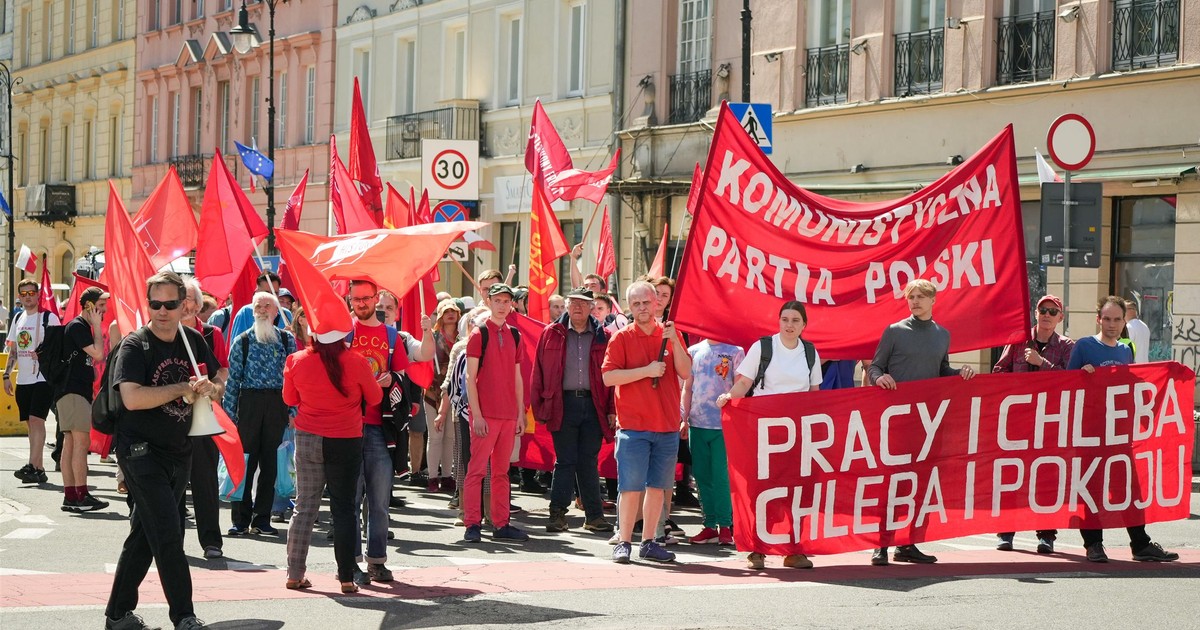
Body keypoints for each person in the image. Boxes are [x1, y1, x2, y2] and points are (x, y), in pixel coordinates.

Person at [104, 271, 221, 630]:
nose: (162, 311)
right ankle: (184, 616)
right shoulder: (135, 345)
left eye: (170, 304)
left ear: (184, 305)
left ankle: (117, 614)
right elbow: (132, 398)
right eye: (155, 304)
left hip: (179, 450)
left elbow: (219, 378)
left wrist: (211, 388)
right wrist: (183, 387)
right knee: (170, 533)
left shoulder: (193, 340)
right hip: (140, 452)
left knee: (145, 534)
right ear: (148, 304)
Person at [866, 279, 975, 566]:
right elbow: (875, 366)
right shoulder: (894, 331)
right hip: (898, 419)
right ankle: (881, 544)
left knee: (921, 483)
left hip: (928, 421)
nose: (914, 301)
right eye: (911, 297)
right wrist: (879, 377)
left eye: (920, 296)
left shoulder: (942, 335)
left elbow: (941, 370)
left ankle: (909, 544)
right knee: (893, 482)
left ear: (933, 300)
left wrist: (960, 373)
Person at [1068, 296, 1179, 563]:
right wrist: (1081, 375)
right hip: (1090, 432)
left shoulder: (1125, 350)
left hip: (1118, 432)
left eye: (1117, 319)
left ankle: (1140, 544)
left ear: (1123, 322)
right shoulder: (1084, 346)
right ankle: (1093, 544)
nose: (1112, 324)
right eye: (1107, 319)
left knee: (1129, 488)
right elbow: (1066, 385)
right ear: (1098, 319)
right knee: (1092, 488)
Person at [717, 301, 821, 567]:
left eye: (795, 320)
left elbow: (814, 394)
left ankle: (793, 550)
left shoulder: (810, 352)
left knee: (795, 489)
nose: (789, 325)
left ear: (804, 325)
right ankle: (757, 549)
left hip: (796, 431)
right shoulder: (763, 347)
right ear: (778, 321)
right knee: (761, 488)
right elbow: (744, 382)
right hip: (764, 429)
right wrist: (729, 397)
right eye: (785, 319)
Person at [347, 280, 433, 583]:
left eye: (366, 298)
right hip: (348, 427)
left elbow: (420, 358)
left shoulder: (392, 335)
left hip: (380, 428)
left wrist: (427, 330)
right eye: (356, 298)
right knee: (349, 502)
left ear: (375, 300)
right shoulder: (343, 334)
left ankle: (377, 561)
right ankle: (350, 564)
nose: (361, 303)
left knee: (379, 501)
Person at [283, 327, 381, 594]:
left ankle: (294, 573)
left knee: (304, 506)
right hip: (346, 438)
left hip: (308, 437)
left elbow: (290, 398)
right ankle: (347, 577)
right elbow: (375, 398)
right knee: (344, 508)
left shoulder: (296, 360)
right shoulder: (357, 361)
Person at [601, 281, 691, 564]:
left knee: (658, 488)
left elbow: (685, 371)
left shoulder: (671, 334)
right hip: (633, 426)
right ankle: (624, 541)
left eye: (646, 302)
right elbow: (609, 377)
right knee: (630, 488)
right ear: (629, 306)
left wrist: (674, 341)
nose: (641, 308)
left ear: (656, 303)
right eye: (636, 303)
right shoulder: (622, 338)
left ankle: (649, 541)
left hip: (666, 425)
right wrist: (646, 371)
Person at [992, 294, 1074, 554]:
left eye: (1053, 311)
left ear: (1060, 318)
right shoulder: (1018, 341)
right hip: (1018, 421)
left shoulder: (1067, 346)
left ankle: (1046, 535)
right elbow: (998, 371)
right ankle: (1006, 532)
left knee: (1046, 477)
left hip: (1050, 422)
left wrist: (1042, 364)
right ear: (1036, 313)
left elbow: (1071, 380)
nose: (1047, 315)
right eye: (1043, 310)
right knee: (1012, 476)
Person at [531, 288, 616, 534]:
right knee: (565, 460)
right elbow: (538, 373)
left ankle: (594, 517)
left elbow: (612, 375)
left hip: (594, 404)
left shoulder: (605, 336)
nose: (578, 307)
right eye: (574, 302)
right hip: (562, 404)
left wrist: (612, 409)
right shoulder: (551, 333)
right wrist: (540, 408)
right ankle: (557, 515)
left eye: (583, 303)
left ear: (592, 308)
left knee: (589, 461)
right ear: (567, 305)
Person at [223, 292, 297, 537]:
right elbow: (232, 382)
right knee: (244, 462)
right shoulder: (242, 341)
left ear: (277, 311)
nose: (263, 310)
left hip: (277, 404)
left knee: (271, 464)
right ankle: (240, 520)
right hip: (248, 404)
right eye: (258, 306)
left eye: (268, 306)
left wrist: (293, 411)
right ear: (252, 311)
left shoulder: (287, 340)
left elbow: (294, 379)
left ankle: (262, 519)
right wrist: (229, 416)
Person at [462, 283, 530, 543]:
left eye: (506, 301)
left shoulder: (515, 335)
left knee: (502, 472)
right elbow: (470, 377)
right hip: (486, 414)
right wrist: (477, 415)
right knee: (477, 470)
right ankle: (472, 524)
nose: (502, 305)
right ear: (488, 302)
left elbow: (518, 377)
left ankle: (501, 524)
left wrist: (520, 413)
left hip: (509, 415)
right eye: (498, 300)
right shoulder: (479, 333)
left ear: (512, 304)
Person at [180, 278, 230, 559]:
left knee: (205, 480)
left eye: (189, 298)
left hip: (203, 415)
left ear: (199, 305)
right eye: (181, 298)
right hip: (170, 417)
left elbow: (221, 370)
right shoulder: (163, 333)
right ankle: (172, 540)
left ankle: (211, 541)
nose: (185, 304)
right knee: (173, 480)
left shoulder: (211, 334)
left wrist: (215, 388)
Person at [682, 337, 744, 547]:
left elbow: (741, 386)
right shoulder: (693, 351)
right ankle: (709, 525)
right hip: (697, 424)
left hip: (723, 426)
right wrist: (683, 418)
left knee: (721, 477)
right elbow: (687, 388)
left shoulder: (735, 351)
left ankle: (725, 526)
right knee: (701, 475)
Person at [58, 287, 111, 512]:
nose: (104, 311)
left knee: (71, 443)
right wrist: (97, 327)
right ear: (89, 306)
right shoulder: (78, 326)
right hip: (73, 392)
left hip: (71, 392)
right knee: (81, 444)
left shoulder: (79, 326)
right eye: (100, 307)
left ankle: (71, 496)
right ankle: (81, 495)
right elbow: (99, 354)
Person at [4, 278, 60, 485]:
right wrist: (6, 375)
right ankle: (39, 469)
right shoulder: (18, 318)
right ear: (19, 297)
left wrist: (43, 355)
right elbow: (14, 349)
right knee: (30, 423)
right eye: (24, 294)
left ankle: (32, 465)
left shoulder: (49, 317)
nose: (28, 297)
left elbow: (58, 346)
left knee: (37, 420)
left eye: (31, 293)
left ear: (38, 295)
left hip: (42, 377)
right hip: (24, 378)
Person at [425, 299, 461, 492]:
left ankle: (447, 476)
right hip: (433, 391)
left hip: (454, 392)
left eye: (453, 311)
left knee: (450, 437)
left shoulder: (463, 337)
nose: (450, 314)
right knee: (435, 436)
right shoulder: (432, 337)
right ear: (440, 315)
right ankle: (432, 477)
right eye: (446, 311)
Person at [1124, 299, 1150, 363]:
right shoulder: (1144, 326)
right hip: (1145, 364)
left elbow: (1126, 349)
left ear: (1131, 310)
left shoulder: (1129, 326)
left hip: (1134, 365)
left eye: (1123, 309)